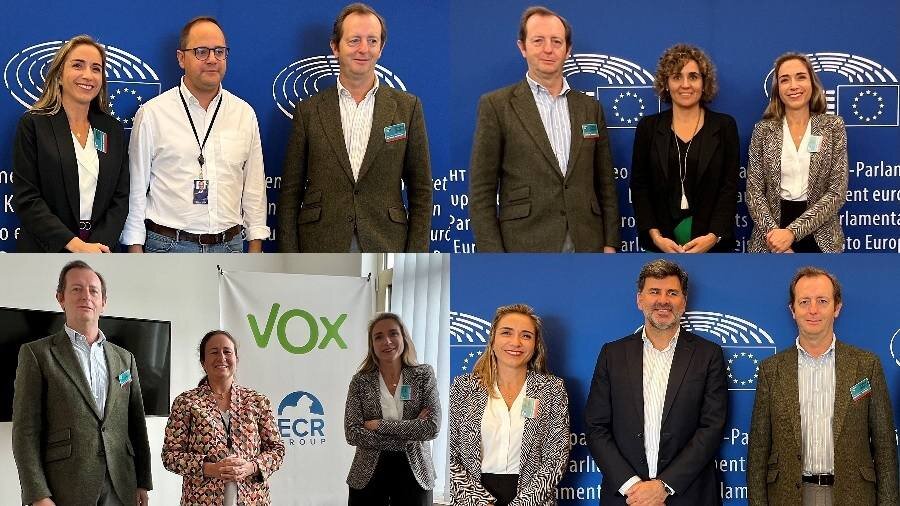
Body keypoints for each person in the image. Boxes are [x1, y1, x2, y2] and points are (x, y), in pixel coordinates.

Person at [278, 3, 432, 253]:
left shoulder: (408, 108)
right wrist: (290, 259)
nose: (363, 49)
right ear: (335, 47)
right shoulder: (308, 111)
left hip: (386, 244)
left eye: (372, 40)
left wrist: (415, 259)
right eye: (354, 41)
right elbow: (290, 193)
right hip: (320, 246)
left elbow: (421, 191)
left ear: (381, 48)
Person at [468, 6, 619, 252]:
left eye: (556, 41)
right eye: (538, 41)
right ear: (523, 47)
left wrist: (610, 243)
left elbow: (606, 184)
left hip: (587, 244)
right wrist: (492, 254)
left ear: (568, 50)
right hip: (524, 245)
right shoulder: (496, 105)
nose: (548, 49)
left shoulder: (590, 108)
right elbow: (481, 190)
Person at [748, 267, 898, 505]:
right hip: (788, 497)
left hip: (854, 496)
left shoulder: (866, 365)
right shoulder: (771, 370)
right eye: (804, 301)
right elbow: (758, 451)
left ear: (837, 308)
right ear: (793, 310)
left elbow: (885, 448)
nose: (813, 310)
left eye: (822, 301)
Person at [585, 259, 728, 505]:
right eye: (654, 292)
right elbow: (596, 426)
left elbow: (712, 427)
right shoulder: (612, 354)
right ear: (639, 299)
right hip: (626, 497)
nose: (663, 300)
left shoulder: (708, 355)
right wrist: (632, 486)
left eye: (672, 293)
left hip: (689, 495)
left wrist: (664, 486)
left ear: (683, 302)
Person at [122, 16, 269, 253]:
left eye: (219, 51)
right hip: (168, 247)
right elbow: (136, 189)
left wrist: (255, 245)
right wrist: (135, 248)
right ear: (181, 58)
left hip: (230, 247)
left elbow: (253, 189)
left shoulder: (244, 113)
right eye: (201, 51)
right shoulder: (152, 113)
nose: (212, 59)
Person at [12, 260, 152, 505]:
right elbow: (25, 431)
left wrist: (142, 481)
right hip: (66, 486)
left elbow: (136, 424)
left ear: (103, 302)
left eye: (93, 291)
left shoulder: (124, 358)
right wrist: (37, 494)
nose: (86, 296)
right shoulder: (37, 354)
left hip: (121, 484)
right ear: (61, 298)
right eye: (76, 289)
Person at [12, 35, 129, 253]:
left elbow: (120, 197)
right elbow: (27, 198)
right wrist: (75, 246)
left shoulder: (111, 129)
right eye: (77, 65)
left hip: (100, 252)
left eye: (96, 68)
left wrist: (97, 247)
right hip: (44, 251)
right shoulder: (34, 125)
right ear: (59, 76)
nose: (88, 75)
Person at [449, 304, 571, 506]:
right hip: (473, 499)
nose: (516, 342)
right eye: (507, 333)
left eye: (526, 336)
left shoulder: (552, 389)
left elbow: (556, 457)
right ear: (493, 339)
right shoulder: (463, 387)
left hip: (532, 500)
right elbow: (449, 454)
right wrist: (480, 502)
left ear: (535, 344)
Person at [630, 44, 739, 253]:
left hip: (714, 247)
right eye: (677, 77)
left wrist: (713, 237)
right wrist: (656, 237)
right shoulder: (648, 128)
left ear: (704, 82)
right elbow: (640, 187)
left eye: (693, 76)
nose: (685, 84)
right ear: (666, 84)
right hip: (661, 246)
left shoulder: (724, 126)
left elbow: (729, 188)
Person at [162, 330, 285, 505]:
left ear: (236, 359)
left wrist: (251, 467)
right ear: (203, 362)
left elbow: (277, 450)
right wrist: (210, 469)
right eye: (213, 352)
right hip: (200, 500)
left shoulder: (257, 401)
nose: (221, 357)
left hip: (253, 500)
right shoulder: (186, 402)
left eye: (227, 351)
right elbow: (170, 456)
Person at [746, 53, 848, 253]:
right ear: (778, 89)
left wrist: (792, 233)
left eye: (800, 77)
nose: (793, 85)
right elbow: (754, 192)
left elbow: (837, 191)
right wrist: (776, 237)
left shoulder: (833, 126)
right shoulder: (763, 130)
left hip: (821, 234)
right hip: (771, 236)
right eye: (785, 80)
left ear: (812, 82)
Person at [344, 313, 440, 505]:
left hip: (416, 473)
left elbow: (431, 427)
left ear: (403, 337)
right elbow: (353, 433)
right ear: (372, 345)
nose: (387, 341)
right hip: (367, 476)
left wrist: (379, 425)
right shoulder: (360, 381)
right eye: (378, 337)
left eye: (393, 334)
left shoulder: (423, 375)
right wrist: (411, 430)